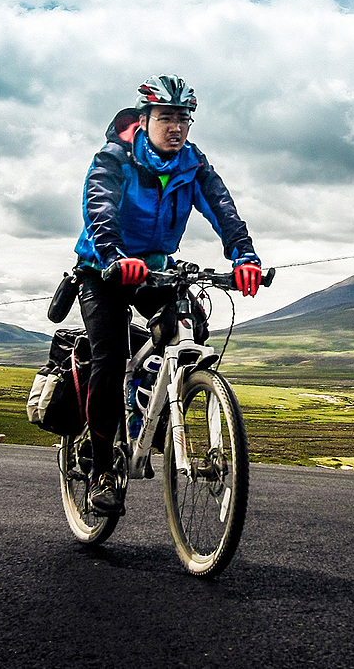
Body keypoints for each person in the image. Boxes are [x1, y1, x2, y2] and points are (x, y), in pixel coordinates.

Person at [72, 74, 263, 515]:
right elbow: (99, 209)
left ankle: (149, 404)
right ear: (144, 120)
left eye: (183, 119)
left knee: (192, 327)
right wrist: (115, 256)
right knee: (109, 358)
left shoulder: (192, 164)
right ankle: (102, 470)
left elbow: (223, 209)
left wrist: (245, 256)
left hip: (155, 270)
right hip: (104, 270)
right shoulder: (114, 158)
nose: (175, 127)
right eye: (165, 118)